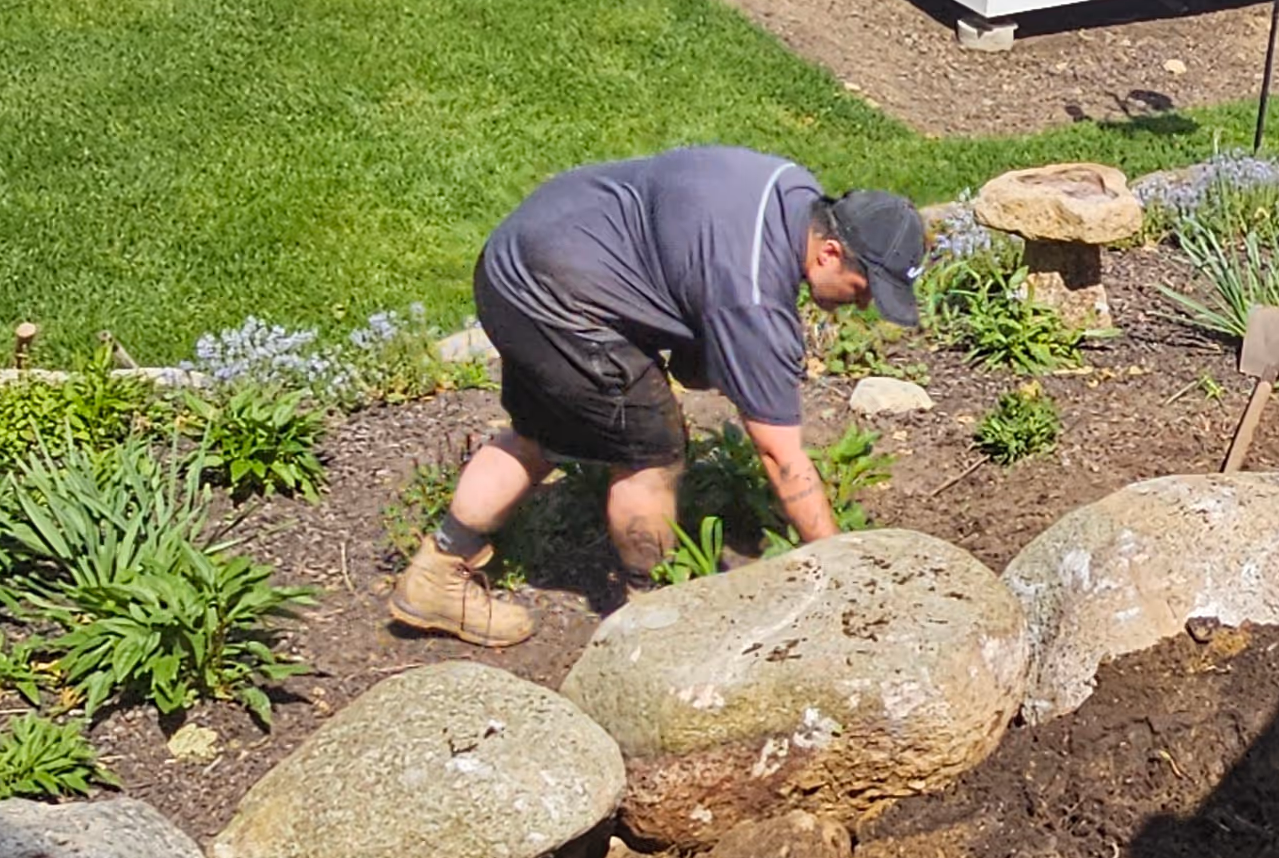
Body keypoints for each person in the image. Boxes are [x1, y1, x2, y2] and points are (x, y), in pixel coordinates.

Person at [389, 147, 929, 648]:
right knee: (650, 452)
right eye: (865, 291)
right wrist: (840, 572)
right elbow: (780, 456)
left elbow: (688, 264)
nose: (861, 309)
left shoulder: (792, 191)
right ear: (830, 252)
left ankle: (436, 572)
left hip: (517, 262)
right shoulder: (751, 293)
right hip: (566, 300)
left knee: (540, 432)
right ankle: (651, 618)